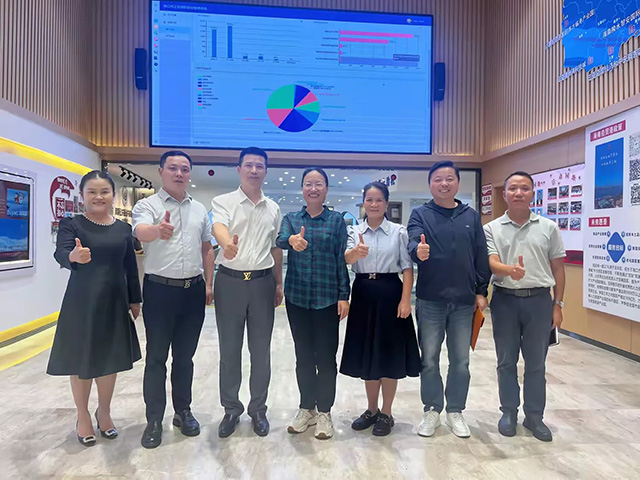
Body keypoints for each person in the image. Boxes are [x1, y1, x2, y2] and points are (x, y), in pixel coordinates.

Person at [47, 170, 142, 447]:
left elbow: (130, 267)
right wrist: (73, 256)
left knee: (110, 360)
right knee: (81, 361)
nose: (98, 197)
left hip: (115, 301)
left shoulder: (123, 229)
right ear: (82, 195)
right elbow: (60, 253)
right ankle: (82, 415)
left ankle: (104, 412)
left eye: (104, 192)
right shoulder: (72, 224)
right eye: (92, 192)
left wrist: (135, 299)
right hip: (82, 303)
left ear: (113, 194)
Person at [132, 150, 214, 449]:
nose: (179, 174)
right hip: (160, 291)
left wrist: (209, 283)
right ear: (161, 171)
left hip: (193, 291)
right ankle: (154, 419)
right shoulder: (147, 205)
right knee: (156, 358)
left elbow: (207, 248)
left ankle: (183, 411)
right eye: (173, 168)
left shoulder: (200, 210)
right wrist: (157, 230)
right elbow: (140, 231)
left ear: (190, 173)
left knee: (185, 358)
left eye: (185, 169)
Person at [407, 160, 491, 438]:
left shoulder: (471, 216)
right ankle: (432, 409)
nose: (444, 184)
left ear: (457, 183)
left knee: (461, 360)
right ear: (430, 184)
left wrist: (481, 291)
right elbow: (412, 241)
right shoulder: (420, 214)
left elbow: (481, 255)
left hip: (464, 301)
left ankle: (455, 410)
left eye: (449, 179)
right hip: (430, 299)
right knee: (429, 359)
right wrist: (417, 251)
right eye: (438, 179)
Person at [484, 171, 566, 442]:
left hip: (539, 301)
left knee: (536, 363)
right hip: (505, 301)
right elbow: (491, 262)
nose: (518, 193)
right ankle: (508, 412)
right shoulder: (491, 228)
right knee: (506, 361)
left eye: (524, 188)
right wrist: (509, 270)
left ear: (533, 193)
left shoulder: (548, 227)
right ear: (505, 194)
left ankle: (534, 416)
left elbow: (558, 268)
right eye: (513, 188)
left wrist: (558, 304)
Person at [211, 147, 283, 438]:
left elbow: (276, 248)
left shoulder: (274, 208)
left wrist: (278, 283)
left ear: (265, 171)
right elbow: (218, 226)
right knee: (229, 350)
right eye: (249, 165)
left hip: (263, 283)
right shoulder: (223, 201)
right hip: (229, 282)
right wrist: (226, 244)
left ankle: (258, 409)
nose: (254, 170)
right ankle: (231, 409)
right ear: (239, 169)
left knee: (261, 351)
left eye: (259, 166)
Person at [340, 182, 421, 436]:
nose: (373, 204)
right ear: (363, 202)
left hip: (390, 293)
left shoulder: (398, 231)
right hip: (363, 292)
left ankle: (387, 412)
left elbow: (407, 268)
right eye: (369, 200)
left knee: (388, 354)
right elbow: (346, 259)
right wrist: (356, 252)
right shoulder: (354, 230)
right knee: (368, 354)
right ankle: (371, 409)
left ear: (386, 203)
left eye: (378, 200)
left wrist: (405, 300)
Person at [276, 167, 350, 440]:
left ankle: (325, 412)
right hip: (297, 298)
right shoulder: (292, 219)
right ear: (303, 189)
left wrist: (344, 295)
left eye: (319, 184)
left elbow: (341, 258)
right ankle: (306, 408)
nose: (313, 188)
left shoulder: (336, 221)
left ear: (326, 189)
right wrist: (292, 240)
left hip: (327, 299)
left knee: (326, 358)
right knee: (303, 356)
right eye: (308, 184)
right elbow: (280, 239)